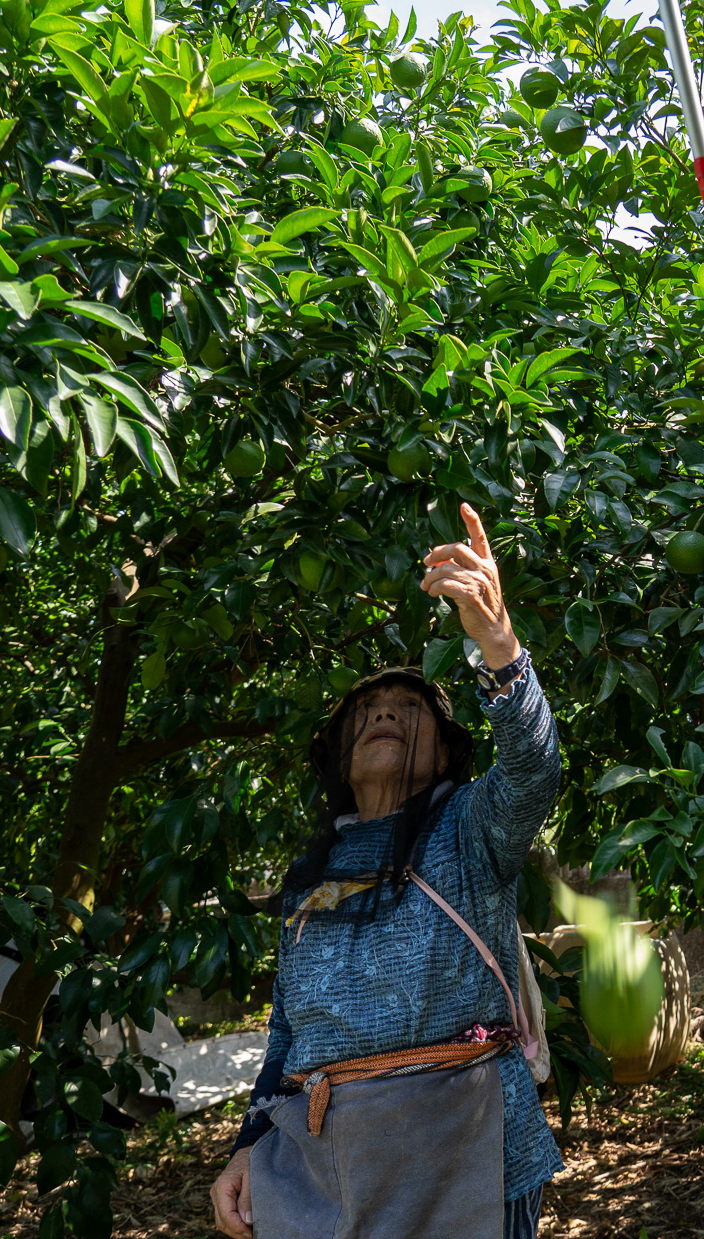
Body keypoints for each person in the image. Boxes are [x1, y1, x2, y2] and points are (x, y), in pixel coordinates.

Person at [209, 503, 563, 1239]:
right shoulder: (310, 882)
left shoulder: (467, 831)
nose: (385, 715)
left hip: (463, 1150)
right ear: (340, 756)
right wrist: (248, 1144)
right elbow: (287, 1035)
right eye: (366, 711)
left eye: (411, 708)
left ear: (443, 755)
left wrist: (499, 646)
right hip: (327, 1163)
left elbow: (533, 770)